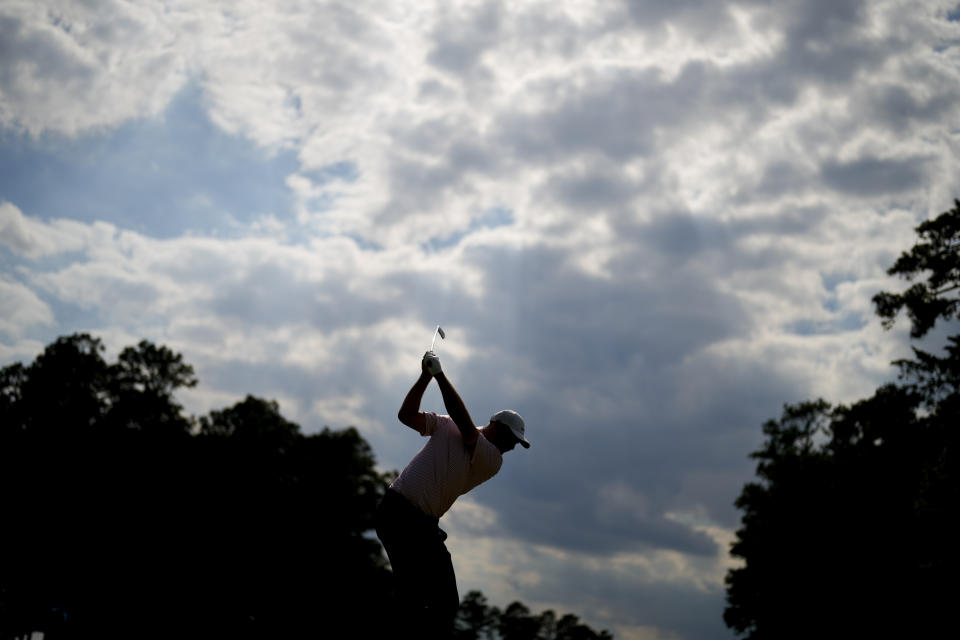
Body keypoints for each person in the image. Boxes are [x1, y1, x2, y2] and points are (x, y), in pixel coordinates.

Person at [375, 350, 530, 639]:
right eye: (512, 439)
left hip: (421, 525)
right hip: (397, 513)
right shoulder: (446, 425)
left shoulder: (492, 459)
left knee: (442, 602)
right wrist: (424, 377)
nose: (512, 447)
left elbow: (466, 427)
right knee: (419, 598)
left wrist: (439, 375)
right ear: (495, 427)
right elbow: (406, 415)